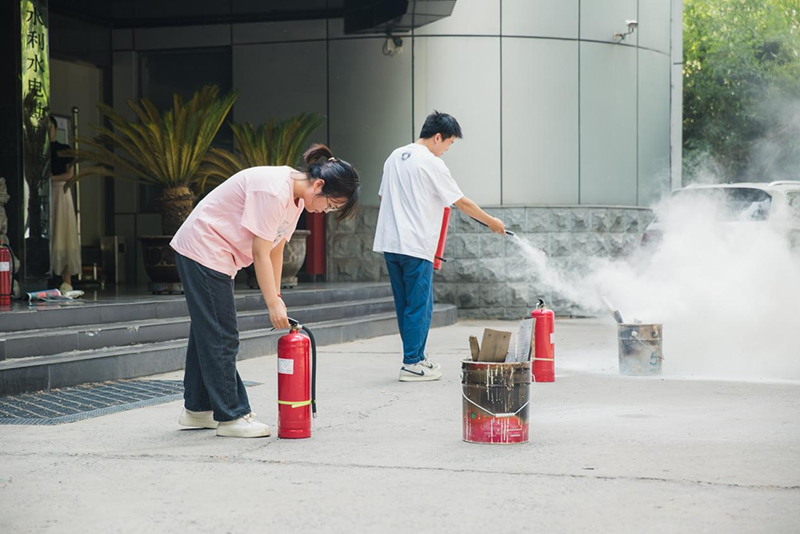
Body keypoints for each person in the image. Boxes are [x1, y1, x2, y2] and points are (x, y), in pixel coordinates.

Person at [170, 144, 359, 438]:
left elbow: (275, 249)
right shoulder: (273, 190)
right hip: (203, 249)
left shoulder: (296, 199)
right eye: (331, 204)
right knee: (222, 335)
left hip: (217, 255)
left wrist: (278, 297)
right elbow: (260, 252)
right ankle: (232, 415)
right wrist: (271, 304)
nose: (326, 211)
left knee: (208, 333)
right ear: (319, 185)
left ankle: (197, 409)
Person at [373, 111, 506, 382]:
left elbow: (383, 196)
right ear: (437, 137)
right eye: (449, 143)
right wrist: (491, 222)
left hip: (391, 243)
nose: (446, 149)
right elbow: (461, 201)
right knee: (420, 306)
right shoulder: (432, 163)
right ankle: (412, 363)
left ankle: (416, 357)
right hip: (416, 244)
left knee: (406, 305)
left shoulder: (394, 156)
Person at [49, 115, 81, 293]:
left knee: (64, 232)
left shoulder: (64, 149)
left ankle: (66, 280)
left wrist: (51, 179)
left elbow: (70, 175)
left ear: (55, 128)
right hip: (44, 193)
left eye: (50, 128)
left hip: (61, 191)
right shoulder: (38, 152)